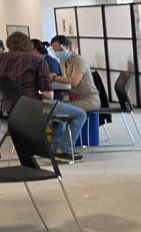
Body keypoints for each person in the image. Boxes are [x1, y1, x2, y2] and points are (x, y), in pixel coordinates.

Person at [0, 31, 87, 161]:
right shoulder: (37, 60)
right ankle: (63, 150)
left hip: (8, 108)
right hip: (33, 107)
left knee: (58, 114)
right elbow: (48, 95)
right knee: (79, 114)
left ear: (8, 44)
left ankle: (54, 148)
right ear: (28, 44)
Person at [50, 35, 101, 113]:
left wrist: (54, 78)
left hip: (88, 100)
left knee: (56, 109)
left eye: (60, 49)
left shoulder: (79, 61)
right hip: (75, 98)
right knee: (51, 106)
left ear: (69, 48)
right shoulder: (64, 62)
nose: (57, 53)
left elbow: (74, 82)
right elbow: (66, 81)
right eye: (55, 51)